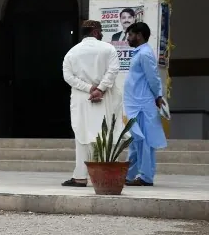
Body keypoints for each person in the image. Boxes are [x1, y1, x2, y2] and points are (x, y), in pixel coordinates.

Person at [61, 20, 123, 187]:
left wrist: (89, 88)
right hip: (104, 98)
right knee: (105, 136)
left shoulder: (71, 53)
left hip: (82, 99)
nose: (101, 33)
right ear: (95, 32)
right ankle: (107, 175)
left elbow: (68, 77)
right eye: (100, 30)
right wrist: (100, 89)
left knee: (82, 138)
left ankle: (80, 177)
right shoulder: (108, 49)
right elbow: (113, 70)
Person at [124, 22, 166, 186]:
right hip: (136, 103)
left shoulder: (145, 54)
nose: (128, 38)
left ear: (139, 35)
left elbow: (154, 79)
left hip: (143, 104)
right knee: (136, 141)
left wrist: (158, 96)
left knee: (145, 142)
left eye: (130, 35)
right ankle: (128, 175)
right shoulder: (139, 53)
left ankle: (146, 177)